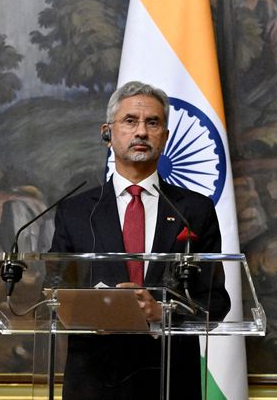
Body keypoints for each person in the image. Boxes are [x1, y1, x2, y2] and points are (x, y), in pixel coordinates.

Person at [49, 81, 230, 400]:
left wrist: (162, 312)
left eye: (153, 122)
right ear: (107, 133)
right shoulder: (74, 211)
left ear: (165, 136)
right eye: (130, 121)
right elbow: (52, 292)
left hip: (170, 381)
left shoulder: (195, 210)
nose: (142, 132)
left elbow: (215, 302)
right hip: (94, 382)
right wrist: (100, 310)